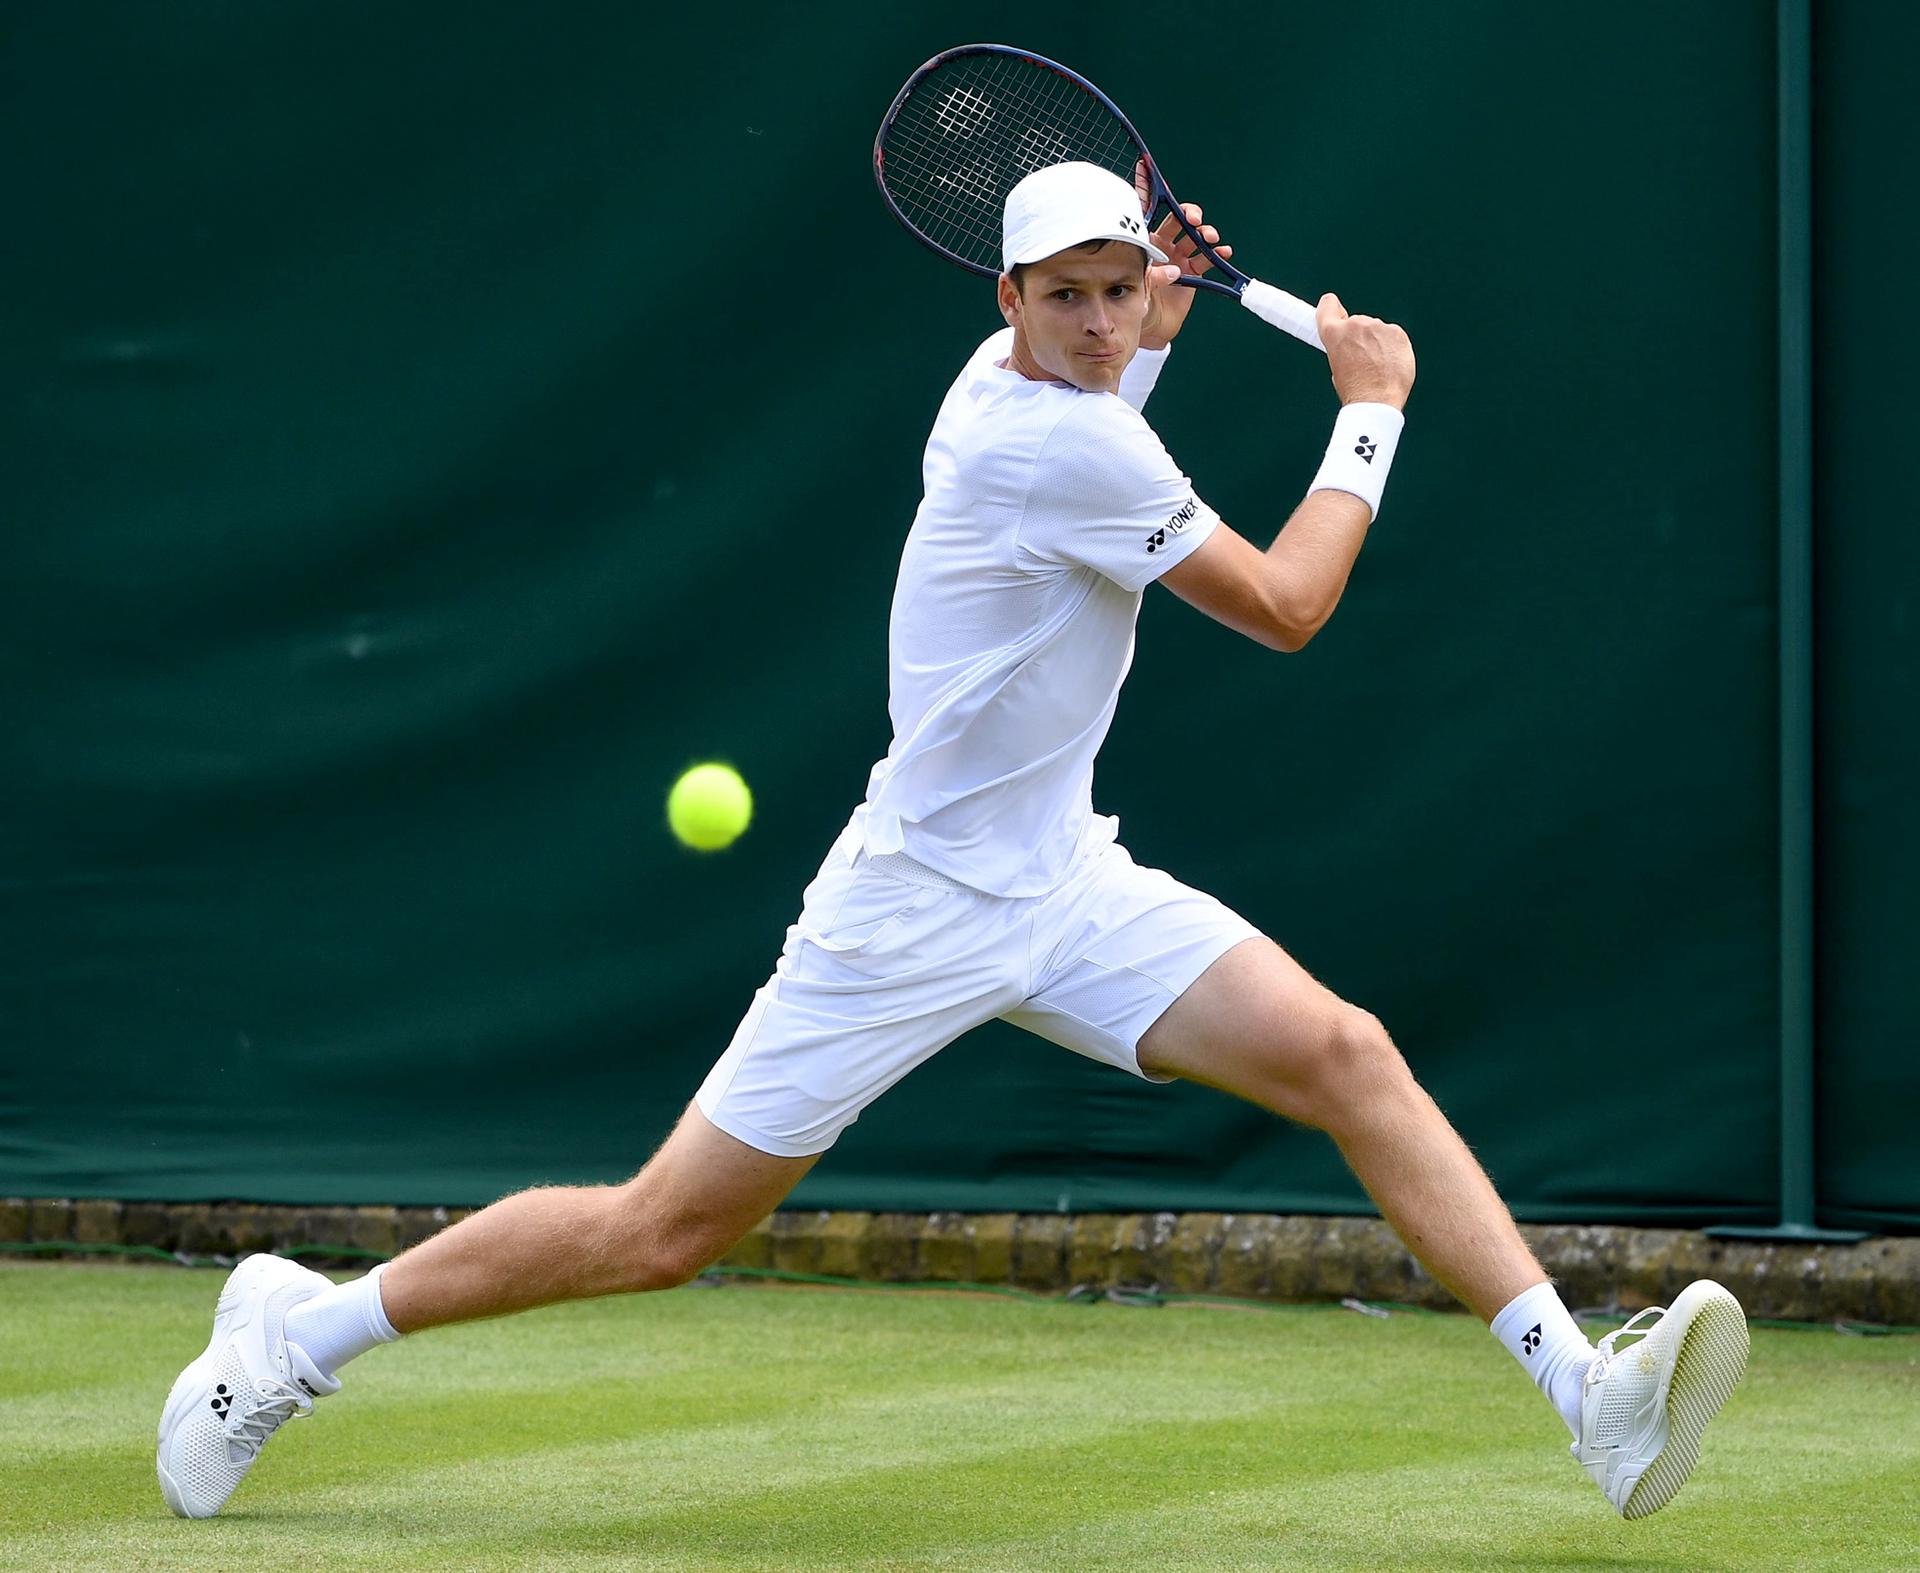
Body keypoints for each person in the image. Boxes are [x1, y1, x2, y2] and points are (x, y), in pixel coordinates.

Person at [157, 161, 1746, 1522]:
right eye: (1072, 295)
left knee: (1347, 1051)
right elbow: (1287, 605)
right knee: (664, 1230)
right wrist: (1371, 414)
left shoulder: (1050, 394)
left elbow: (1125, 403)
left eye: (1126, 291)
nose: (1107, 323)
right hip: (912, 907)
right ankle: (299, 1338)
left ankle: (1591, 1404)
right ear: (1008, 295)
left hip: (1063, 880)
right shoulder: (1050, 438)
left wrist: (1169, 329)